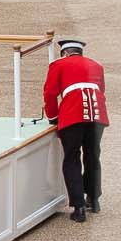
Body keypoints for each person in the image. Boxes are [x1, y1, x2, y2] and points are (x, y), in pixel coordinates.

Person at [42, 38, 108, 222]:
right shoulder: (96, 65)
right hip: (97, 114)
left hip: (73, 113)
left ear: (64, 53)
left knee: (71, 157)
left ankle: (78, 206)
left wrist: (53, 117)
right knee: (92, 155)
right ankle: (93, 199)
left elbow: (49, 93)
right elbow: (101, 90)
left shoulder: (59, 64)